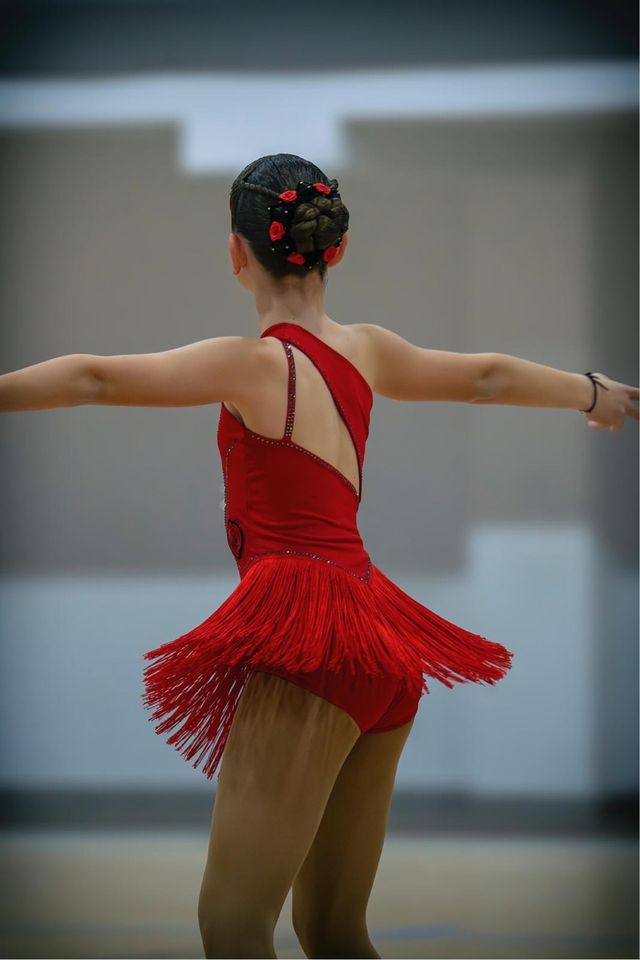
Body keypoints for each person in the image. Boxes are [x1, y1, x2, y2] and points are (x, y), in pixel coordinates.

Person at [1, 152, 637, 960]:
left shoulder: (253, 362)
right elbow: (488, 377)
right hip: (381, 647)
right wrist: (592, 391)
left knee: (233, 928)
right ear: (335, 248)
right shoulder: (368, 348)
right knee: (334, 932)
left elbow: (91, 378)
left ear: (237, 254)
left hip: (311, 643)